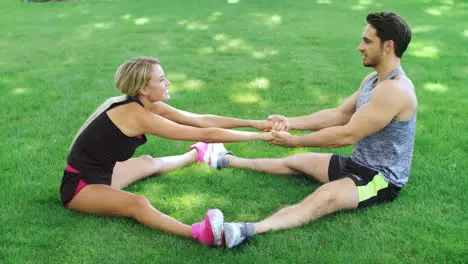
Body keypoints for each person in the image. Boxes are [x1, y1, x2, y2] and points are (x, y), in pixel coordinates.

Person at [213, 11, 416, 248]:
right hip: (356, 163)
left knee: (323, 198)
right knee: (297, 162)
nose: (360, 47)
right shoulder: (373, 80)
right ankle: (227, 160)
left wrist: (294, 140)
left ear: (388, 46)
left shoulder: (395, 91)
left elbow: (347, 134)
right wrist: (290, 122)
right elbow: (339, 115)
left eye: (367, 41)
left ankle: (245, 230)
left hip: (380, 179)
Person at [59, 56, 276, 247]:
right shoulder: (135, 114)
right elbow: (206, 133)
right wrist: (263, 137)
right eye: (162, 79)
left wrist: (255, 123)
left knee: (148, 161)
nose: (168, 82)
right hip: (81, 187)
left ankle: (196, 155)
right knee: (138, 204)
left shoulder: (145, 104)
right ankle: (200, 233)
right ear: (144, 88)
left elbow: (198, 120)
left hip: (105, 174)